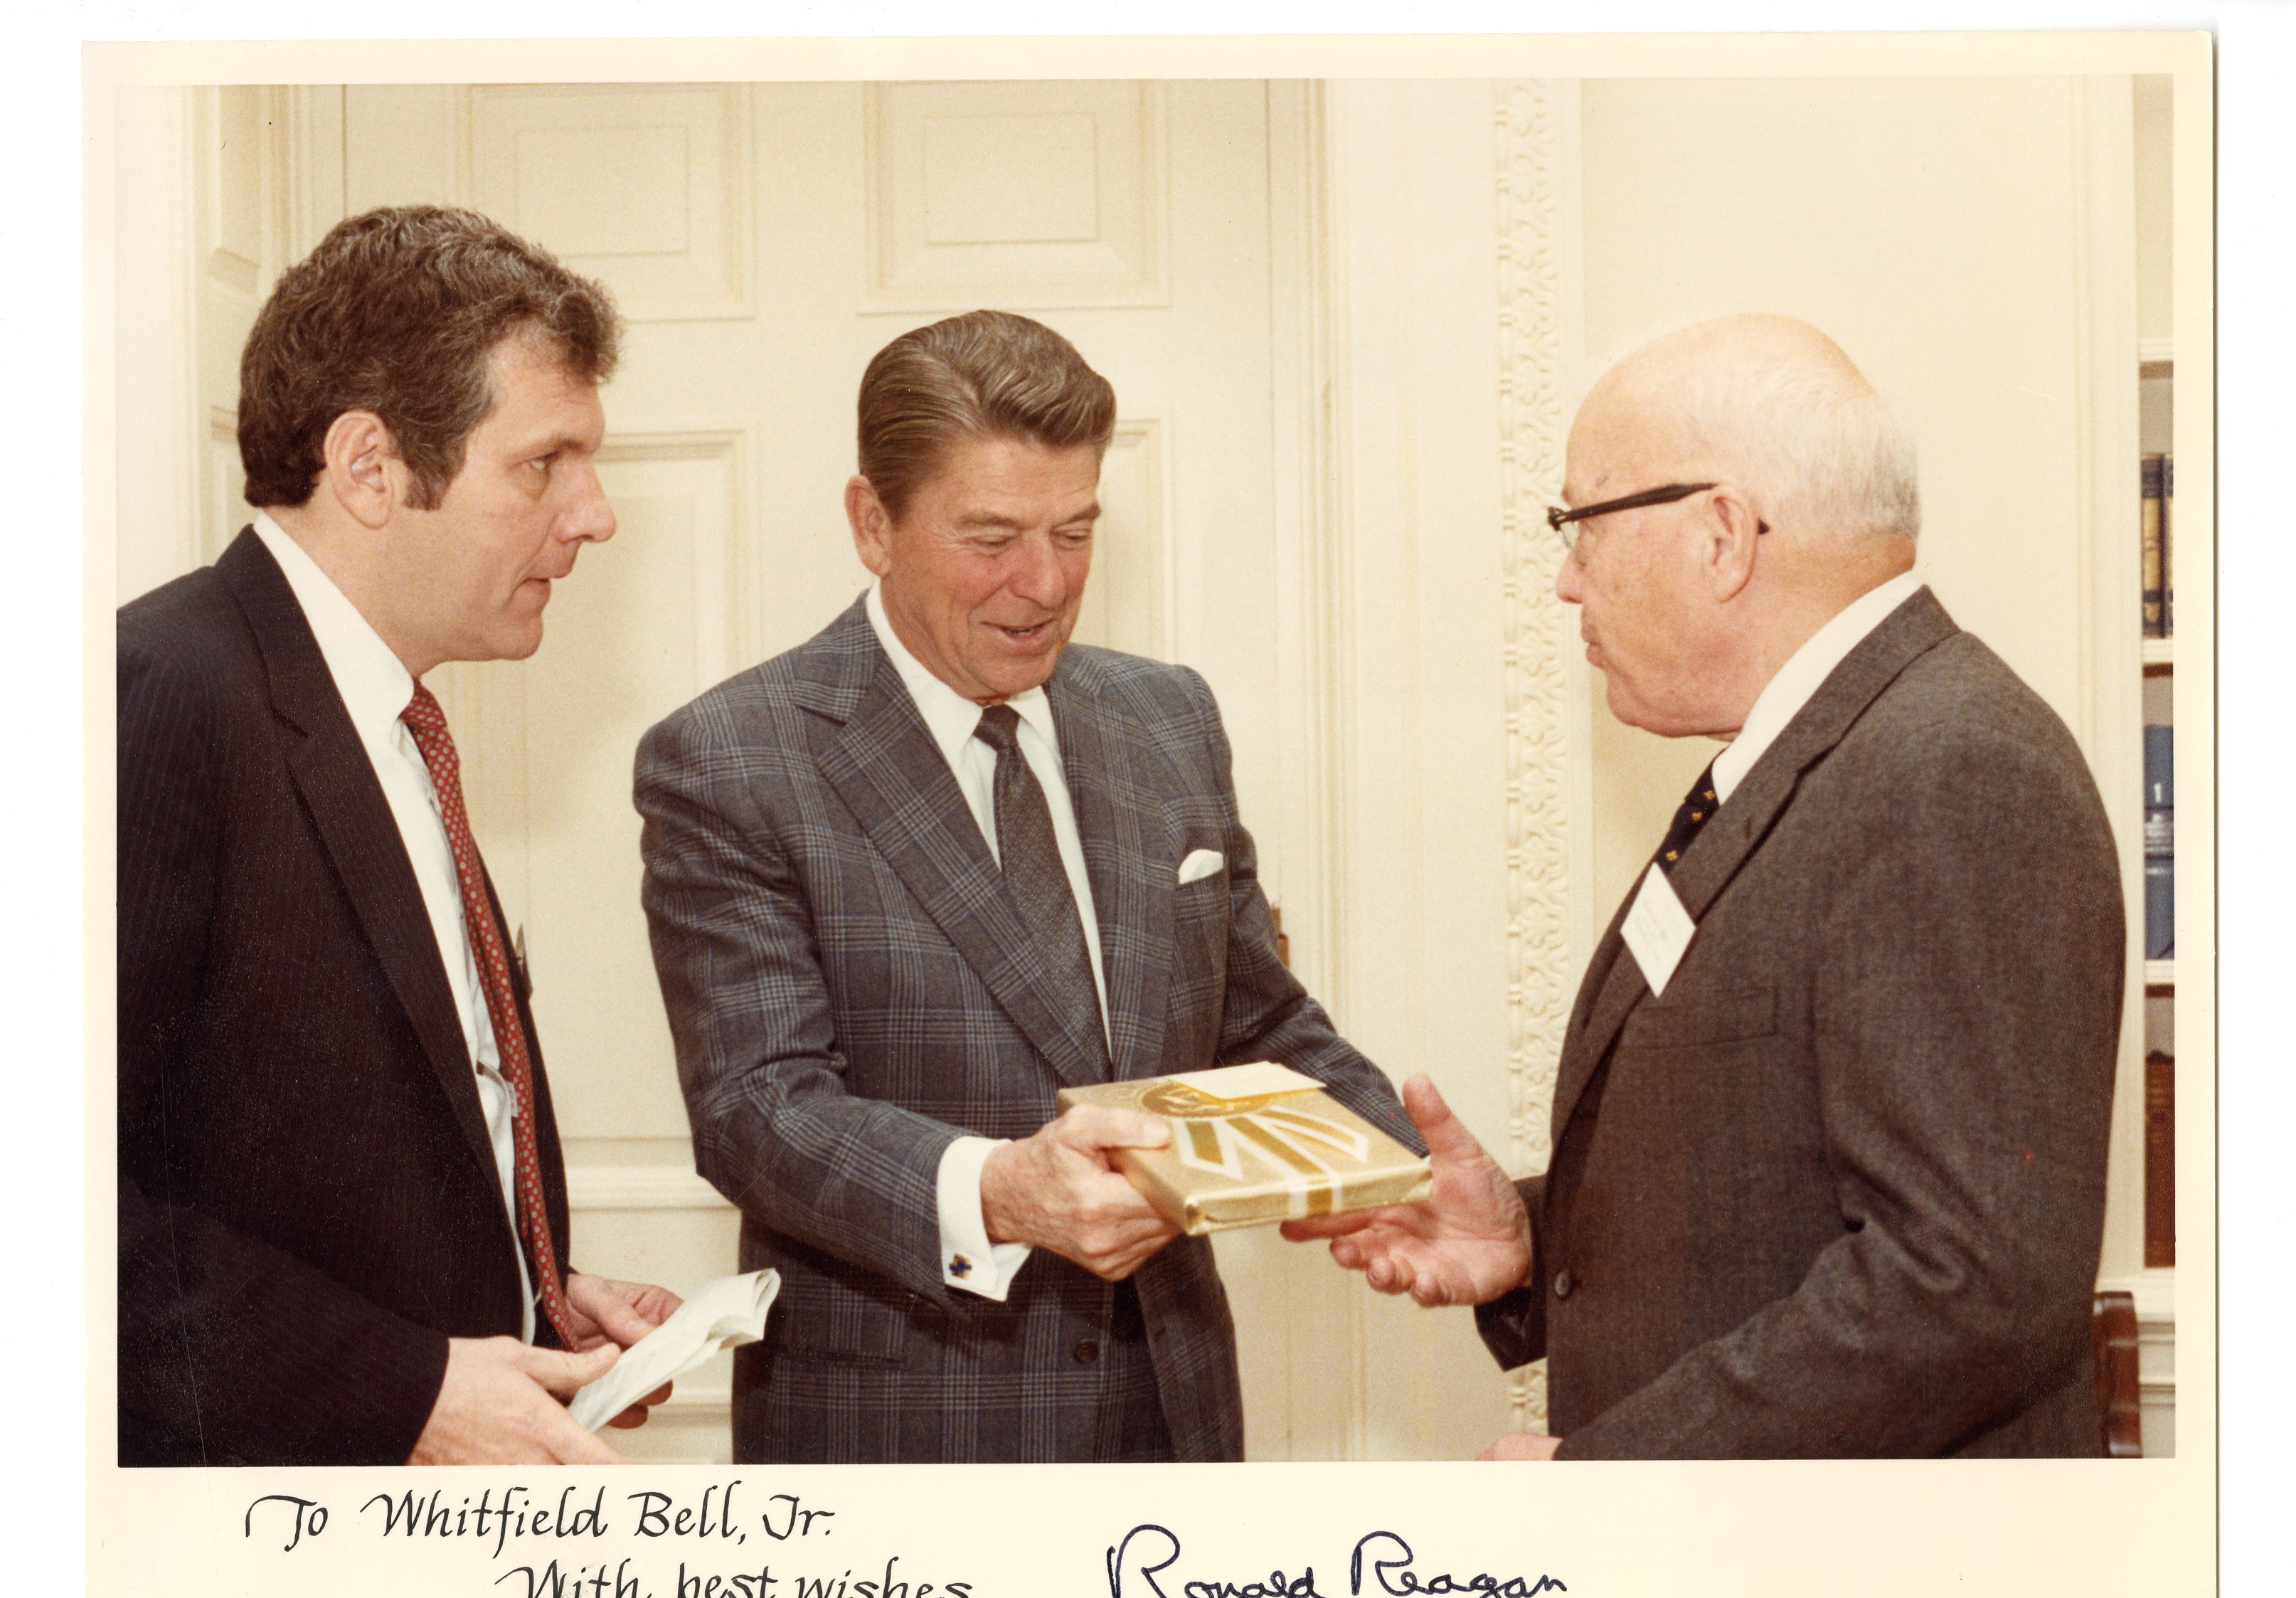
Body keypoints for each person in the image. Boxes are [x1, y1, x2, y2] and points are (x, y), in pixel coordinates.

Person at [1287, 313, 2124, 1459]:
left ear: (1723, 534)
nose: (1566, 581)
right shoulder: (1829, 751)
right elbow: (1775, 1185)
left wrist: (1606, 1481)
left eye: (1578, 525)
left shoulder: (1947, 765)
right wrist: (1531, 1238)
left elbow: (1965, 1284)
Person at [636, 309, 1419, 1462]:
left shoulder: (1169, 717)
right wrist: (1002, 1190)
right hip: (905, 1438)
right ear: (872, 522)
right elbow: (759, 1110)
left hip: (1173, 1412)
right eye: (991, 536)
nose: (1045, 584)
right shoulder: (734, 759)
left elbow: (1252, 1018)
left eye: (1074, 531)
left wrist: (1393, 1159)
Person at [117, 206, 681, 1467]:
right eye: (544, 463)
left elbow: (326, 1143)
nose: (594, 515)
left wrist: (530, 1292)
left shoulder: (392, 713)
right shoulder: (153, 695)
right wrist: (406, 1388)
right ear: (368, 465)